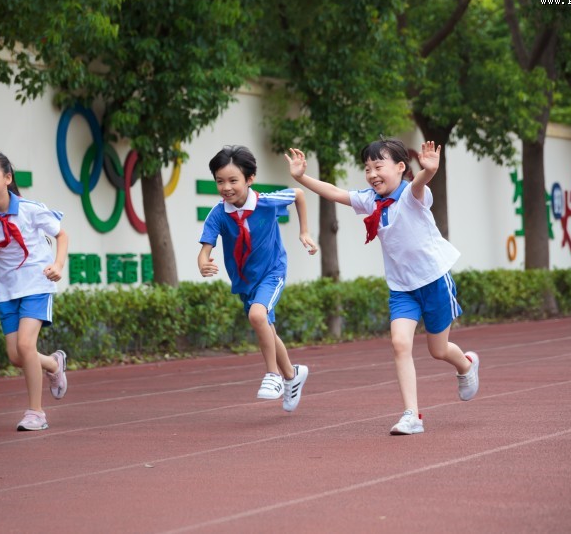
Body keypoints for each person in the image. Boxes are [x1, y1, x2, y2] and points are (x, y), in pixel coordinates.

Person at [286, 138, 479, 434]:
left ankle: (465, 365)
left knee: (438, 351)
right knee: (400, 343)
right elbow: (336, 193)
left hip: (434, 281)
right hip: (402, 288)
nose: (372, 174)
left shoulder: (412, 195)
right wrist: (301, 177)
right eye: (367, 168)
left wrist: (428, 171)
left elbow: (418, 185)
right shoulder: (369, 199)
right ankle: (411, 415)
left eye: (378, 166)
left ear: (401, 168)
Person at [198, 145, 318, 412]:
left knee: (257, 316)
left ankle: (273, 375)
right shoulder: (218, 213)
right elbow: (205, 249)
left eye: (233, 180)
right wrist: (203, 263)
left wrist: (304, 232)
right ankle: (292, 374)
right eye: (220, 181)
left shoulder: (266, 202)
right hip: (244, 280)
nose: (226, 187)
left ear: (249, 179)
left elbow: (298, 193)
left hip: (272, 272)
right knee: (266, 327)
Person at [0, 150, 70, 432]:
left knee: (25, 346)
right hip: (6, 292)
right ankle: (54, 365)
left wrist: (57, 264)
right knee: (15, 355)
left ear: (7, 178)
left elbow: (62, 234)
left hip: (36, 284)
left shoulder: (30, 209)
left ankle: (36, 413)